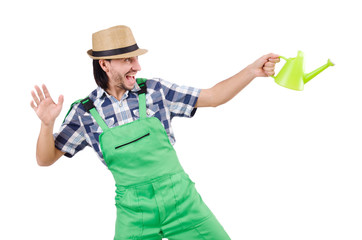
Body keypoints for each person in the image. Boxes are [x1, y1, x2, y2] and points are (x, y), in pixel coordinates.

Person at [30, 25, 279, 240]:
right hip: (134, 214)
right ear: (104, 64)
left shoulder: (155, 91)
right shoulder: (85, 111)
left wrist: (251, 71)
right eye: (128, 59)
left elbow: (213, 96)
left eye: (136, 58)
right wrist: (46, 125)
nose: (137, 66)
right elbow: (45, 158)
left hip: (182, 203)